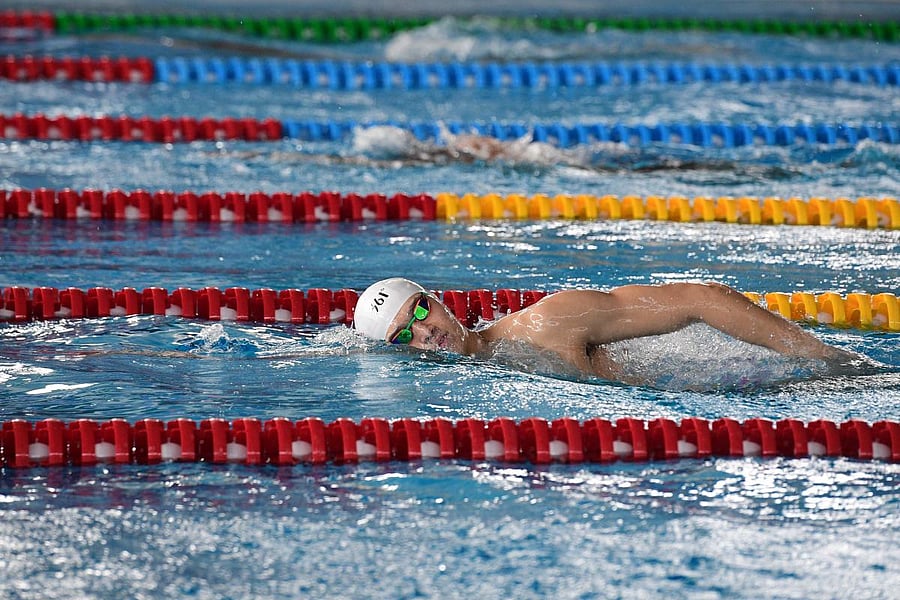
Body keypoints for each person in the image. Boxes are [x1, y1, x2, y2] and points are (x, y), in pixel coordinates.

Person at [352, 277, 865, 382]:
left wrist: (823, 357)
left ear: (439, 300)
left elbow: (698, 298)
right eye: (404, 336)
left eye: (420, 312)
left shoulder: (546, 324)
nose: (425, 334)